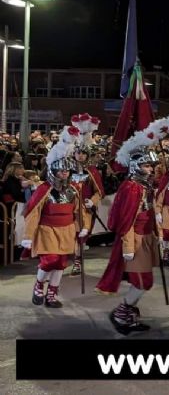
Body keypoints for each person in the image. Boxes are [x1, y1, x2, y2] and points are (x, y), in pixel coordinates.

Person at [96, 125, 163, 334]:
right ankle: (122, 312)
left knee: (143, 280)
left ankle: (127, 313)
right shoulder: (132, 187)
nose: (151, 169)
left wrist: (156, 232)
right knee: (143, 281)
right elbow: (126, 219)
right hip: (134, 239)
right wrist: (128, 244)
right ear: (136, 166)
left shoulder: (145, 186)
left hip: (146, 237)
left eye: (151, 166)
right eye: (147, 166)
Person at [21, 127, 83, 308]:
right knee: (50, 260)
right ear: (53, 171)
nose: (65, 174)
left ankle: (52, 294)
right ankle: (39, 285)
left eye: (67, 171)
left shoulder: (73, 190)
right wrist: (28, 236)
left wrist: (82, 228)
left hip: (67, 230)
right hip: (47, 230)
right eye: (62, 171)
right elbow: (33, 213)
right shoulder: (44, 189)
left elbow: (78, 212)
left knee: (61, 263)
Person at [68, 113, 105, 276]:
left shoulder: (92, 171)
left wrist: (93, 201)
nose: (80, 155)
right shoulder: (66, 170)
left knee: (80, 237)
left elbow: (100, 191)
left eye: (83, 153)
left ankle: (77, 262)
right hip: (69, 209)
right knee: (70, 236)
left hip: (85, 209)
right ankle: (71, 259)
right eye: (78, 153)